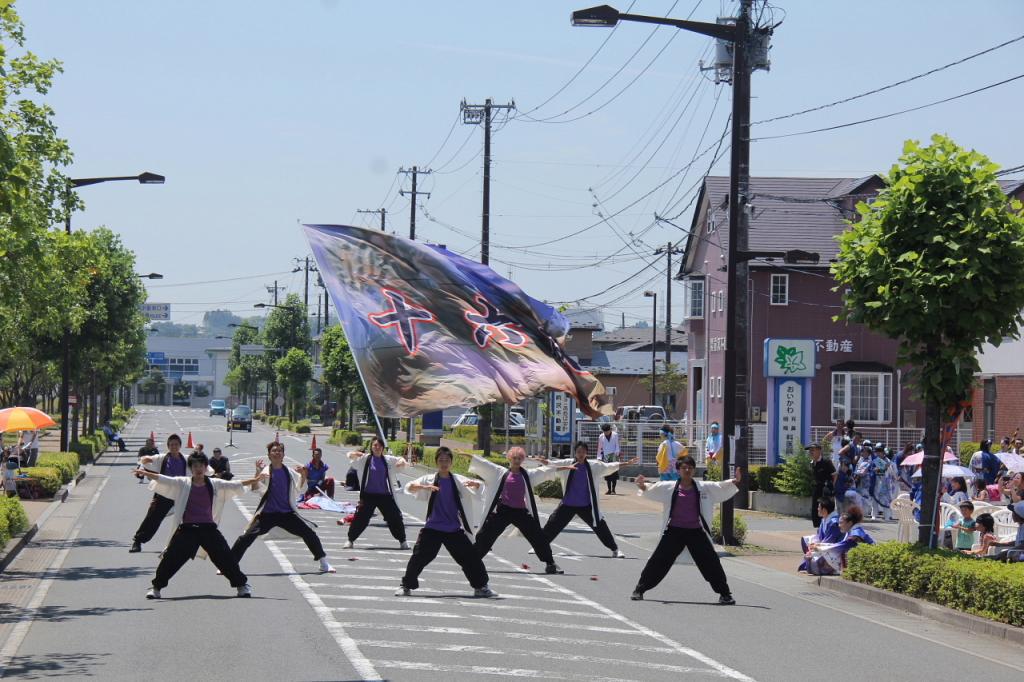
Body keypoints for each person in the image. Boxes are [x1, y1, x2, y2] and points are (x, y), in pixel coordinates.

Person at [135, 452, 263, 599]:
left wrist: (256, 479)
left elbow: (234, 484)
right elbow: (165, 479)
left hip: (208, 529)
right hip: (188, 529)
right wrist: (145, 472)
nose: (198, 469)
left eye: (201, 465)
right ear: (191, 468)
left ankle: (242, 585)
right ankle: (156, 587)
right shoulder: (184, 482)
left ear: (205, 467)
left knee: (225, 557)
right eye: (195, 466)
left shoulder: (214, 483)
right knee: (171, 559)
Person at [630, 456, 742, 604]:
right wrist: (641, 485)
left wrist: (735, 481)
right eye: (684, 468)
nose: (687, 470)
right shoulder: (669, 487)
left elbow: (720, 486)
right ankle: (639, 589)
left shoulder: (703, 487)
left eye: (690, 467)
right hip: (674, 531)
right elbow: (651, 489)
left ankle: (725, 594)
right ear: (678, 470)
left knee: (711, 562)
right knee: (658, 561)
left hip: (696, 531)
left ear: (694, 469)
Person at [397, 447, 496, 598]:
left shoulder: (457, 480)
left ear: (451, 463)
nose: (444, 463)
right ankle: (406, 586)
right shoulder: (429, 479)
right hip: (433, 527)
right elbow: (409, 487)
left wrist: (477, 486)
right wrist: (425, 487)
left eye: (447, 460)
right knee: (419, 556)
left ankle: (481, 587)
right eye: (441, 460)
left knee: (470, 557)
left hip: (453, 529)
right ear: (436, 462)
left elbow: (478, 487)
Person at [230, 441, 336, 574]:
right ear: (269, 455)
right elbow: (256, 490)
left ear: (283, 455)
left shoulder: (289, 472)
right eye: (273, 451)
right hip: (267, 515)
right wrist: (257, 474)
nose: (277, 453)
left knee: (309, 533)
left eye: (279, 451)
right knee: (246, 537)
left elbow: (301, 489)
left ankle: (323, 563)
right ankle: (229, 564)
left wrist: (303, 475)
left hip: (287, 514)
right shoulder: (265, 472)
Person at [469, 447, 563, 575]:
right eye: (514, 458)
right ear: (509, 458)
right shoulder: (501, 472)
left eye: (519, 458)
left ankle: (550, 563)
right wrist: (469, 456)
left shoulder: (527, 474)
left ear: (522, 460)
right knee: (486, 534)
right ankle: (471, 561)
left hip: (520, 512)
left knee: (538, 536)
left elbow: (545, 471)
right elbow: (485, 464)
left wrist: (563, 468)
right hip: (504, 511)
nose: (517, 461)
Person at [543, 441, 638, 558]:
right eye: (578, 452)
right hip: (568, 504)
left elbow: (609, 466)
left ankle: (615, 549)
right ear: (575, 453)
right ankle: (540, 546)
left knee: (600, 526)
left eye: (583, 452)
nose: (581, 454)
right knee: (553, 523)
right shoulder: (568, 463)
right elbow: (553, 464)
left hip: (586, 505)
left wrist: (626, 463)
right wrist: (543, 461)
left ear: (586, 453)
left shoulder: (594, 466)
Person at [344, 436, 409, 549]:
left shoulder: (387, 460)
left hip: (385, 495)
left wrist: (401, 462)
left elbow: (401, 460)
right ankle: (350, 540)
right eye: (374, 445)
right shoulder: (365, 459)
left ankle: (403, 541)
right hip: (368, 495)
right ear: (371, 447)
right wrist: (355, 453)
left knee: (395, 517)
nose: (377, 447)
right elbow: (349, 455)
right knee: (361, 518)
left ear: (383, 447)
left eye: (379, 445)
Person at [131, 434, 190, 553]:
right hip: (164, 493)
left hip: (181, 493)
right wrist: (144, 461)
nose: (174, 447)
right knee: (153, 518)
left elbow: (201, 464)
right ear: (168, 446)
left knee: (190, 519)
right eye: (172, 444)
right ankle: (138, 541)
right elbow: (147, 459)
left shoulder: (186, 459)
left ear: (180, 446)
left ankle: (188, 545)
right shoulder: (162, 458)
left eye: (176, 444)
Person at [803, 506, 875, 575]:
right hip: (855, 555)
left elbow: (841, 546)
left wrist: (820, 547)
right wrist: (820, 546)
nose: (839, 525)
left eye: (841, 523)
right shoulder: (852, 531)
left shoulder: (855, 535)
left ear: (849, 523)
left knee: (825, 555)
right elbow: (841, 544)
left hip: (866, 558)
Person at [799, 497, 842, 571]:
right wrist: (814, 545)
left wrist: (817, 546)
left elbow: (830, 541)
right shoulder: (825, 519)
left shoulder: (834, 522)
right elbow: (820, 536)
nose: (817, 509)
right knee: (807, 541)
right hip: (825, 545)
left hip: (834, 549)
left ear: (824, 510)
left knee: (814, 557)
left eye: (819, 507)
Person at [807, 443, 836, 528]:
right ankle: (818, 527)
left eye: (813, 450)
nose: (811, 452)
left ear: (819, 451)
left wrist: (832, 487)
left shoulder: (826, 462)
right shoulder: (812, 463)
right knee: (815, 509)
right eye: (810, 450)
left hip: (825, 489)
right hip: (816, 488)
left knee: (825, 508)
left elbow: (835, 475)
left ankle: (827, 526)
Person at [596, 423, 621, 494]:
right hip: (606, 456)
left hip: (614, 455)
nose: (606, 433)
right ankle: (609, 489)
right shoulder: (601, 436)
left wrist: (617, 453)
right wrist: (599, 457)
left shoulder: (615, 435)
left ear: (610, 430)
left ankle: (613, 489)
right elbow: (600, 448)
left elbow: (617, 445)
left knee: (614, 472)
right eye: (604, 431)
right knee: (607, 473)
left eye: (607, 431)